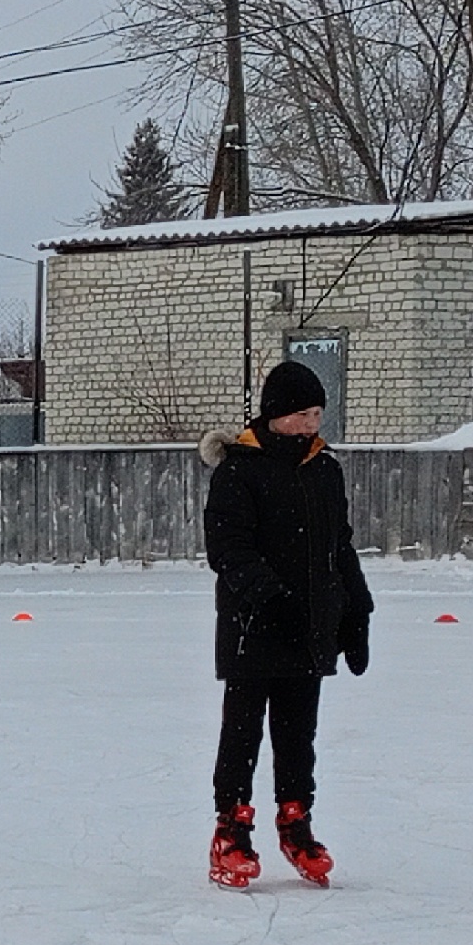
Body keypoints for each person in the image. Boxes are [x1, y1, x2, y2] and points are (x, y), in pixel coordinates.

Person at [199, 358, 373, 889]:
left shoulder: (326, 469)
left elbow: (338, 547)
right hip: (256, 626)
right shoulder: (239, 470)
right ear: (275, 416)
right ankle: (232, 827)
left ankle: (296, 822)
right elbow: (228, 549)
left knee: (299, 735)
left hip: (311, 629)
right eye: (302, 414)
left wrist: (356, 609)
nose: (311, 424)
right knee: (244, 731)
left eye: (318, 413)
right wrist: (271, 600)